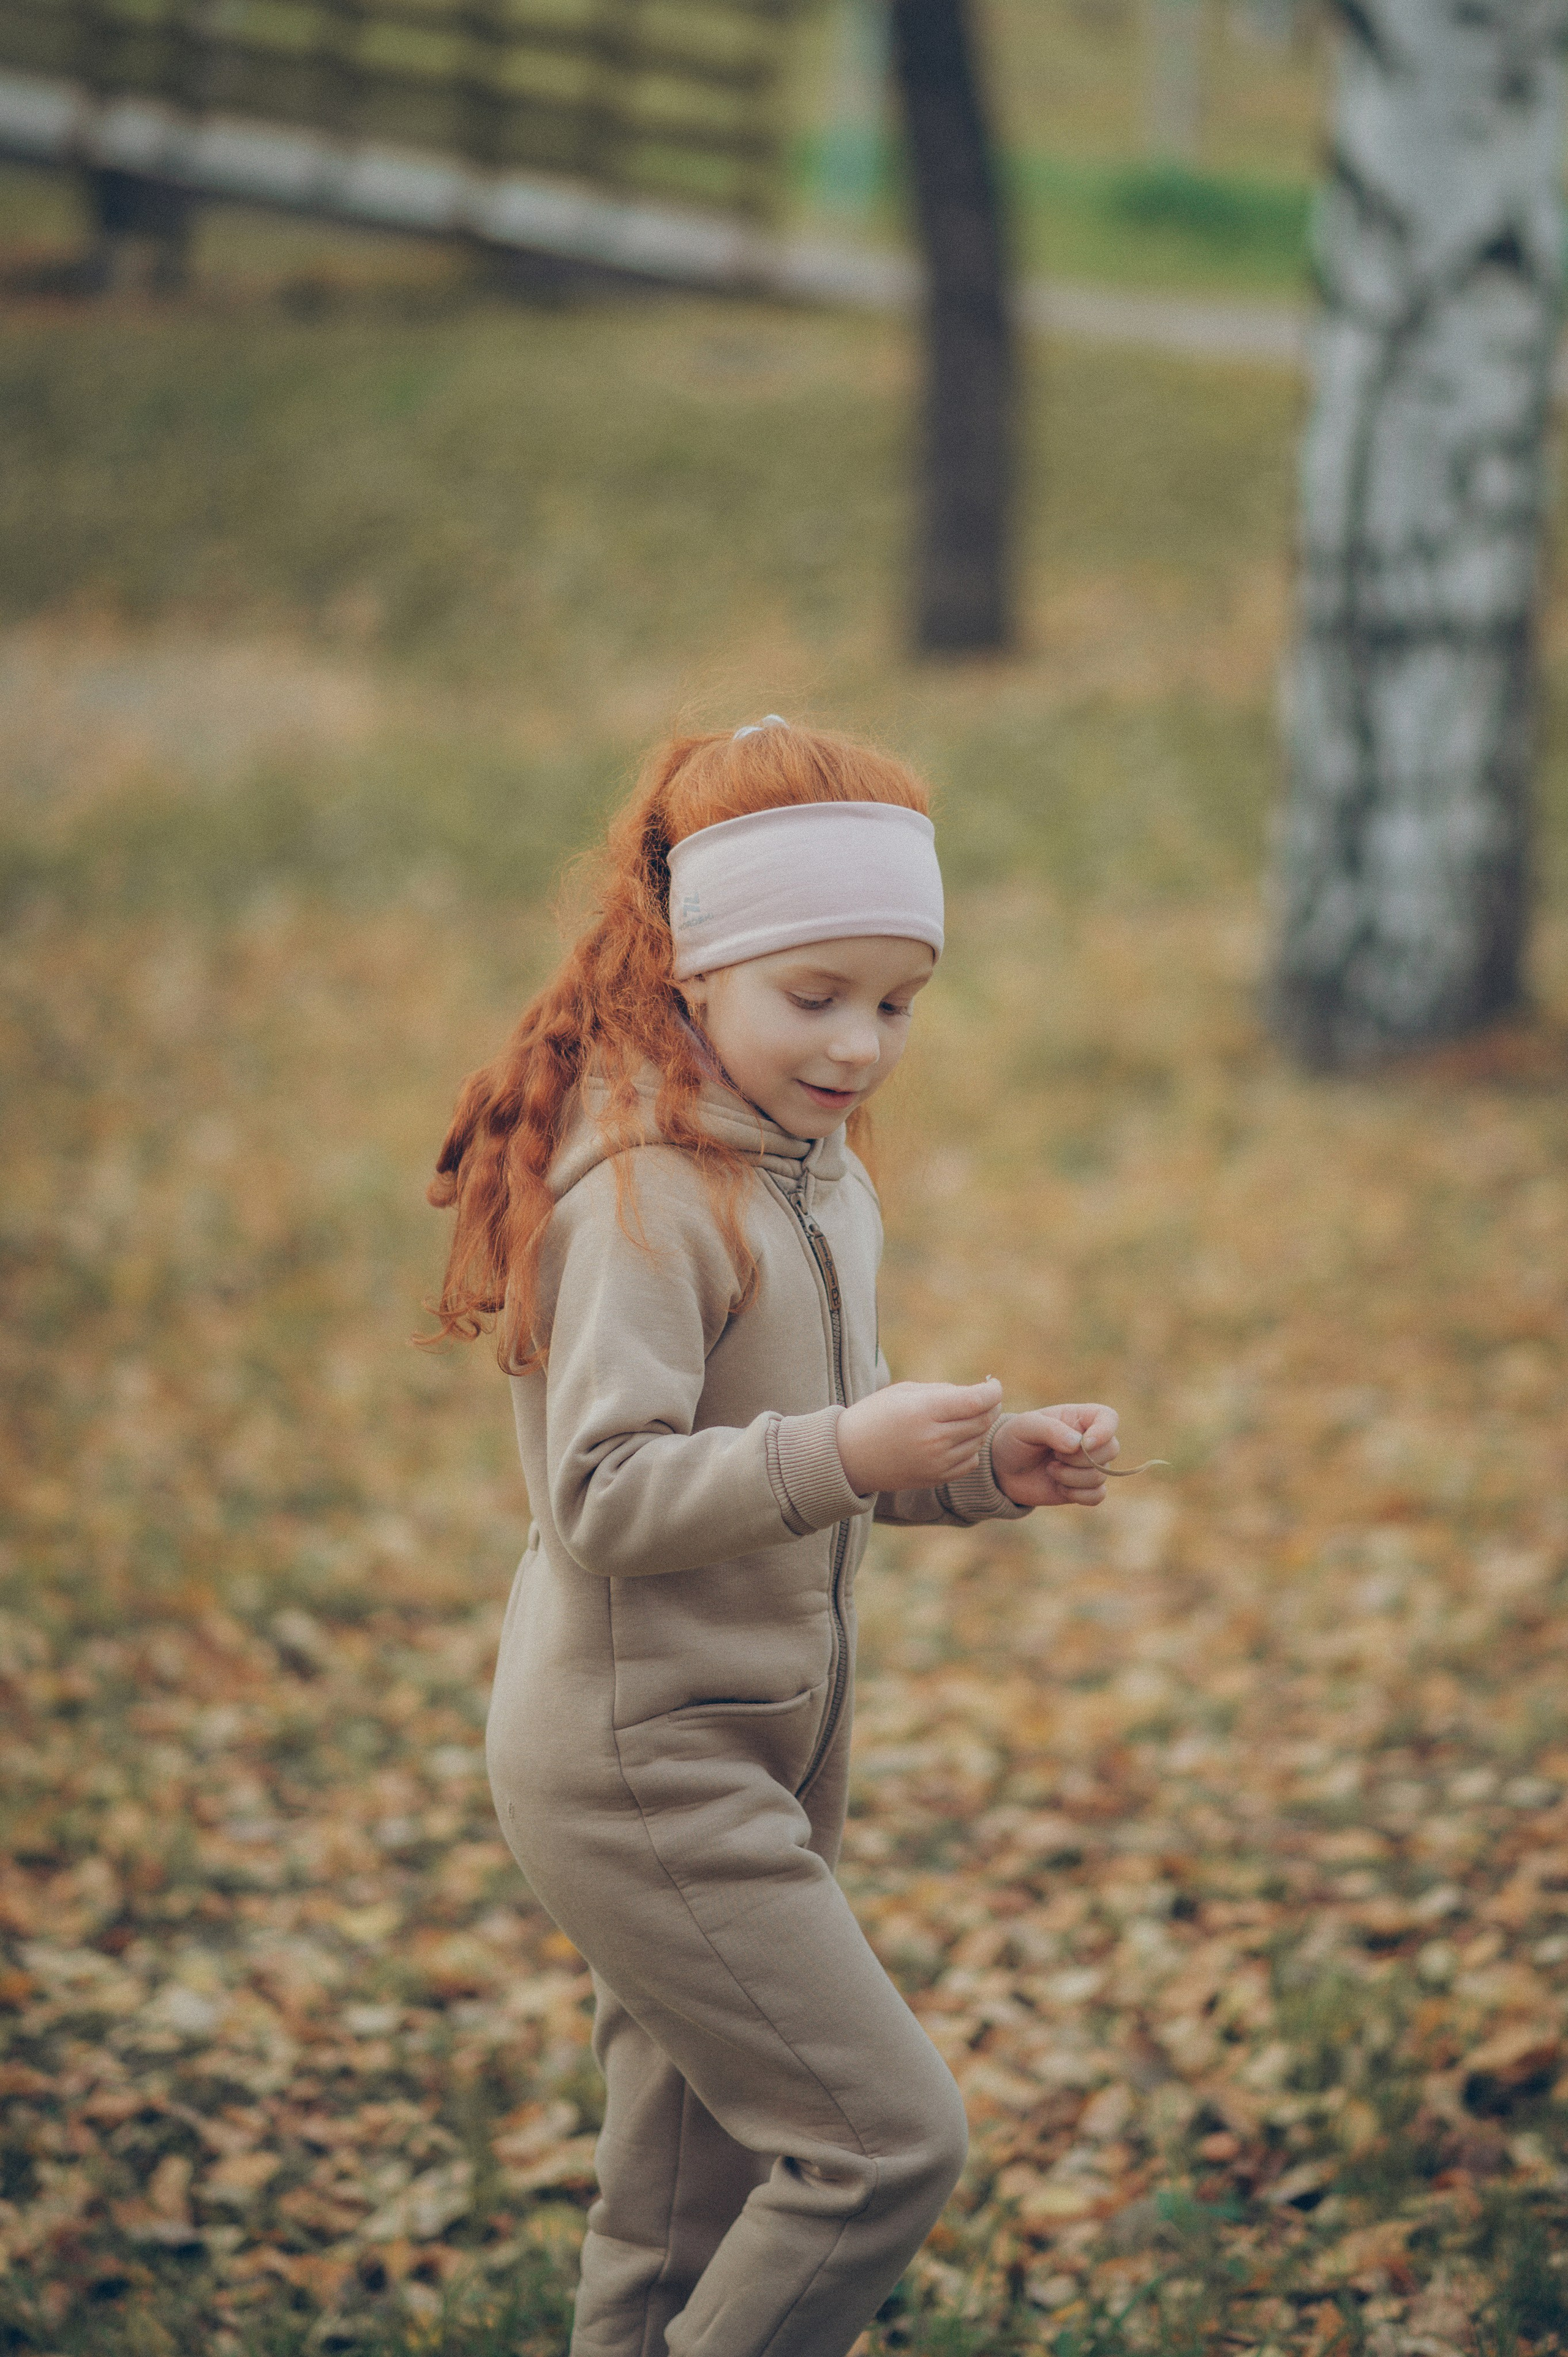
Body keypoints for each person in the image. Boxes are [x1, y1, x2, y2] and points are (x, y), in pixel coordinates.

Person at [426, 718, 1120, 2357]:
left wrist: (978, 1467)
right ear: (696, 965)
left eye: (897, 1001)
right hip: (637, 1762)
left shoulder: (816, 1174)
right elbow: (602, 1497)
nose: (861, 1044)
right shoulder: (646, 1196)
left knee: (683, 2201)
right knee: (882, 2145)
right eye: (816, 995)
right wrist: (843, 1452)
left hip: (757, 1744)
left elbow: (824, 1440)